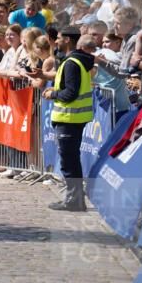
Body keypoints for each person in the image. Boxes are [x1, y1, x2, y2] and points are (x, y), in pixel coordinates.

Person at [42, 25, 94, 211]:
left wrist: (52, 94)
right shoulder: (72, 61)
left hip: (69, 119)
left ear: (68, 40)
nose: (55, 41)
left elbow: (70, 93)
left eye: (59, 38)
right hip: (71, 119)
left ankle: (74, 201)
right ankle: (75, 200)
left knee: (69, 162)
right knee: (71, 161)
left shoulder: (72, 63)